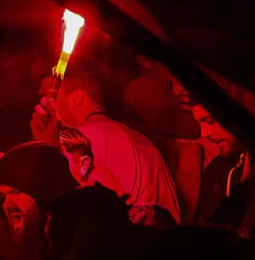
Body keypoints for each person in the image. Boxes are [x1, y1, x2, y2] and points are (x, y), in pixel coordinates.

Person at [31, 66, 181, 222]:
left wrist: (46, 146)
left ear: (77, 98)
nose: (43, 105)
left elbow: (58, 212)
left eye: (49, 97)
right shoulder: (138, 138)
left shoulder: (81, 142)